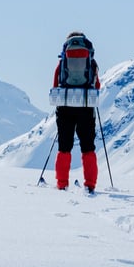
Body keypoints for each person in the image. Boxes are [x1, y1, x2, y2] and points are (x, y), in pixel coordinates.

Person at [53, 31, 101, 192]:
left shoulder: (62, 64)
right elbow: (97, 85)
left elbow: (56, 84)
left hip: (65, 106)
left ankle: (61, 184)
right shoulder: (91, 63)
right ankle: (90, 185)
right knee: (88, 147)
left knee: (64, 147)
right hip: (86, 107)